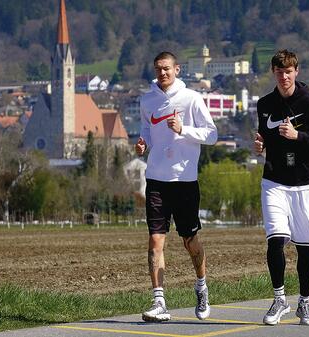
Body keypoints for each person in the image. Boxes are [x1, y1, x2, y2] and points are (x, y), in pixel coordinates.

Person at [135, 51, 218, 322]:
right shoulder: (147, 100)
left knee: (189, 240)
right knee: (155, 239)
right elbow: (147, 130)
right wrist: (143, 143)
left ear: (177, 69)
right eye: (158, 69)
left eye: (167, 68)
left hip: (184, 181)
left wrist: (184, 130)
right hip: (157, 179)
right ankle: (159, 301)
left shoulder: (192, 98)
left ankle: (201, 285)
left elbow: (212, 135)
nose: (163, 73)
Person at [254, 49, 309, 326]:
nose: (284, 76)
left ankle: (305, 303)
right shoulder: (264, 104)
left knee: (304, 247)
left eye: (288, 71)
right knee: (275, 240)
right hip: (273, 181)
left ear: (296, 72)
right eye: (279, 72)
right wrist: (260, 145)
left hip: (303, 185)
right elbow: (265, 136)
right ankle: (279, 299)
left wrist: (298, 135)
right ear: (273, 73)